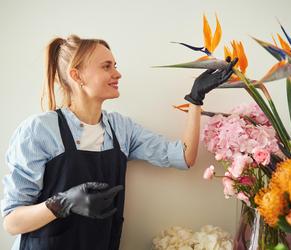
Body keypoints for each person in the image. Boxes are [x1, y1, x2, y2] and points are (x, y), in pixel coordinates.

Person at [1, 34, 237, 250]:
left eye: (115, 65)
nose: (117, 73)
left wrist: (195, 99)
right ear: (77, 75)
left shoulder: (120, 129)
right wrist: (62, 203)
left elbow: (185, 157)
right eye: (106, 66)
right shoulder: (40, 130)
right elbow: (12, 222)